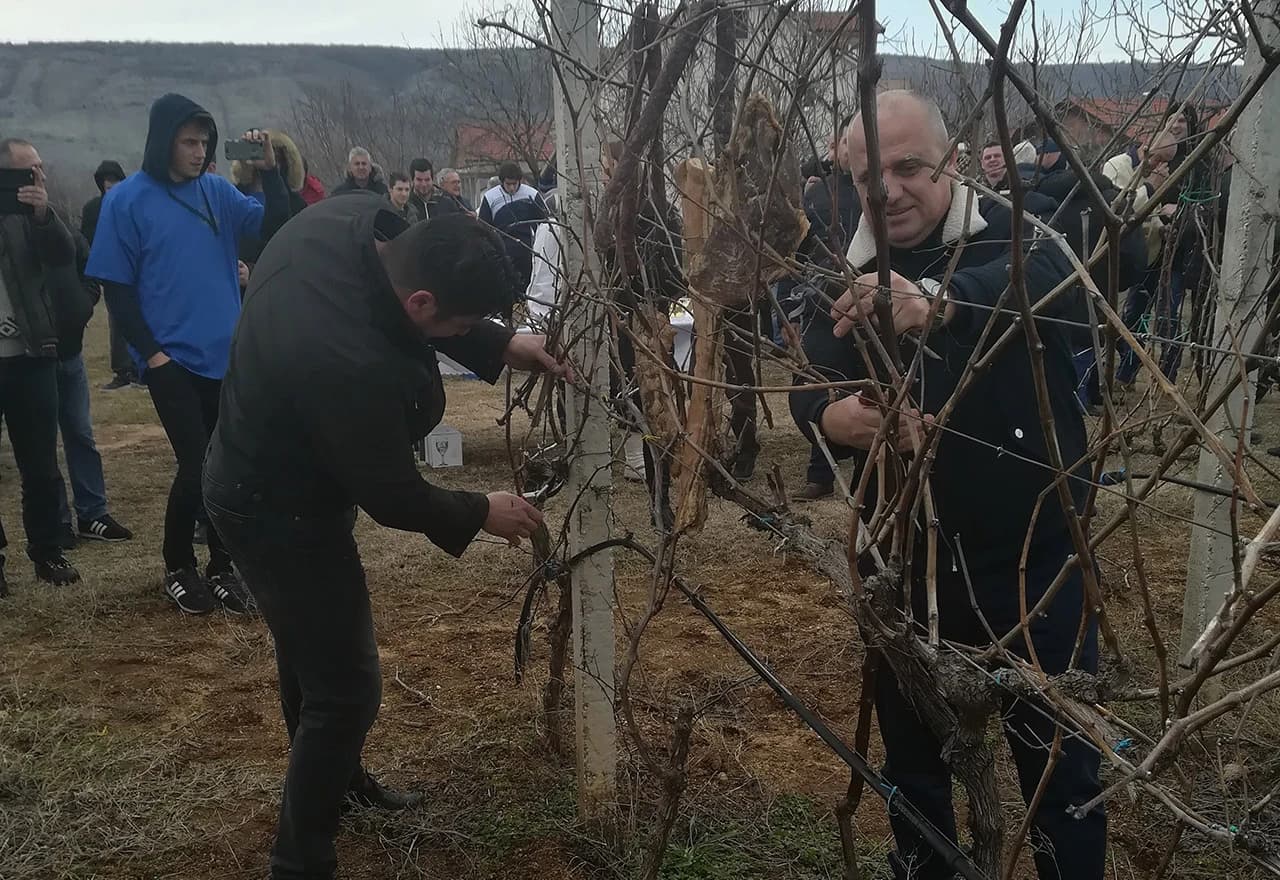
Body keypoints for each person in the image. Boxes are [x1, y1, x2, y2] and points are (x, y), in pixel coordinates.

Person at [202, 200, 569, 880]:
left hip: (283, 474)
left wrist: (493, 341)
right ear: (425, 302)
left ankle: (337, 782)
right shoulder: (338, 355)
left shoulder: (349, 222)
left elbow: (412, 297)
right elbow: (394, 496)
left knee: (311, 657)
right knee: (345, 687)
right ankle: (300, 860)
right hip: (273, 510)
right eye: (456, 325)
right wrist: (481, 509)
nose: (456, 333)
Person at [790, 91, 1104, 880]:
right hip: (905, 560)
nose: (887, 190)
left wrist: (940, 302)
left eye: (908, 168)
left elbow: (1061, 277)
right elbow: (806, 379)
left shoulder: (1024, 237)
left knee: (1061, 769)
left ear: (953, 164)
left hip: (1036, 557)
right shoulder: (843, 267)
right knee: (916, 768)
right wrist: (835, 418)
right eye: (867, 177)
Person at [86, 93, 290, 615]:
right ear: (164, 141)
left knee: (233, 464)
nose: (199, 152)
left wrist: (270, 174)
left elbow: (273, 229)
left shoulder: (216, 192)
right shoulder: (127, 200)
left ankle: (223, 565)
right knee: (196, 465)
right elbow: (118, 287)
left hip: (227, 356)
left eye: (205, 142)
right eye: (188, 142)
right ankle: (179, 564)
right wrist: (151, 354)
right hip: (171, 360)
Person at [0, 137, 83, 592]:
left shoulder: (38, 216)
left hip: (32, 355)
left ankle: (47, 551)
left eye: (40, 169)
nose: (39, 177)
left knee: (40, 463)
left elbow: (64, 256)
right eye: (28, 170)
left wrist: (42, 215)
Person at [54, 207, 134, 546]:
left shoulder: (59, 227)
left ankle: (92, 514)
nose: (35, 181)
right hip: (23, 359)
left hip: (68, 350)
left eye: (39, 172)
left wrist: (79, 309)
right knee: (38, 448)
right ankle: (54, 523)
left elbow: (89, 274)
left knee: (81, 434)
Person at [1103, 121, 1181, 386]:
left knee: (1140, 317)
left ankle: (1127, 374)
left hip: (1150, 256)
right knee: (1114, 318)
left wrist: (1162, 227)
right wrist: (1148, 187)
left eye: (1165, 162)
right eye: (1159, 159)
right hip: (1120, 258)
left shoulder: (1156, 176)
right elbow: (1116, 210)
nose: (1161, 167)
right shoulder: (1117, 166)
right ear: (1146, 148)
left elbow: (1150, 216)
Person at [81, 160, 138, 391]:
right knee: (117, 320)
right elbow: (87, 240)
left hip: (136, 269)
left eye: (115, 182)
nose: (111, 187)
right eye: (107, 184)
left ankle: (140, 368)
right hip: (111, 272)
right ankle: (124, 371)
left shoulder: (133, 204)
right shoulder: (94, 209)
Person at [232, 128, 309, 269]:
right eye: (265, 153)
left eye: (277, 158)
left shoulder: (296, 203)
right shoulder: (235, 196)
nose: (272, 160)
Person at [478, 162, 550, 291]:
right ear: (501, 182)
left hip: (528, 249)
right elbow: (483, 227)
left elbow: (545, 222)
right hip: (502, 249)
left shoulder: (531, 195)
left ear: (520, 181)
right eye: (508, 184)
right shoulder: (490, 198)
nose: (511, 188)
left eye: (514, 184)